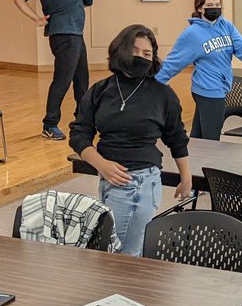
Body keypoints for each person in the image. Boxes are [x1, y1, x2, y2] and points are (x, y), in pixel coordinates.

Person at [69, 25, 192, 257]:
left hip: (139, 181)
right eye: (135, 51)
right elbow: (79, 133)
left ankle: (126, 293)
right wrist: (101, 164)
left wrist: (185, 177)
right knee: (116, 251)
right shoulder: (100, 90)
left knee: (122, 254)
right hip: (108, 178)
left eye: (147, 54)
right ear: (120, 50)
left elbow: (176, 137)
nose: (141, 58)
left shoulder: (162, 94)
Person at [156, 0, 242, 140]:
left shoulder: (226, 26)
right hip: (207, 89)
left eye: (217, 5)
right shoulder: (192, 33)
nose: (215, 8)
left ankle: (193, 161)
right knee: (211, 139)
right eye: (209, 5)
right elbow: (174, 61)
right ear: (199, 8)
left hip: (220, 88)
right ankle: (207, 163)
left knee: (199, 136)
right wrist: (153, 83)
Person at [14, 0, 95, 140]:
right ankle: (50, 124)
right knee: (64, 80)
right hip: (70, 36)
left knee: (81, 77)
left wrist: (37, 18)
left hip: (64, 35)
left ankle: (82, 119)